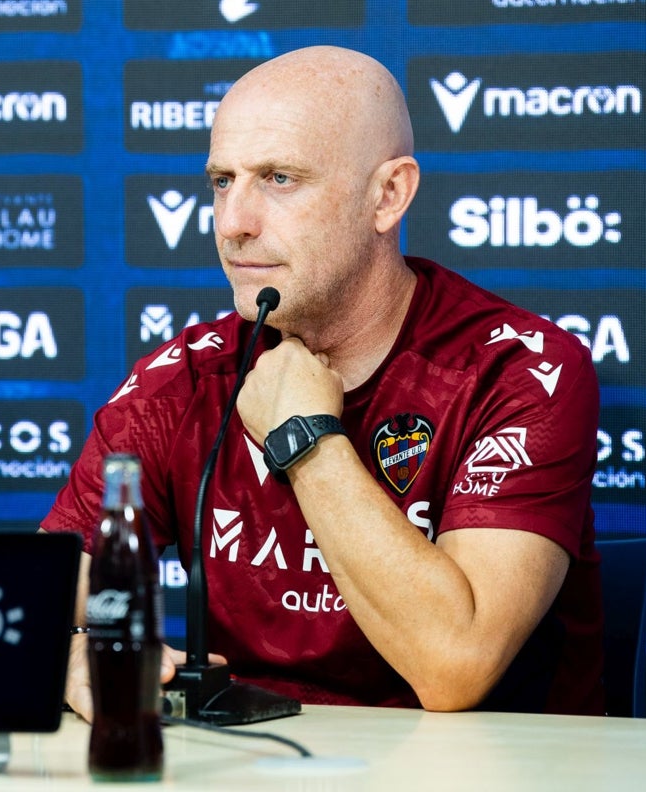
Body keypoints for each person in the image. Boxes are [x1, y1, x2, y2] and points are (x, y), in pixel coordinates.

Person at [42, 45, 604, 718]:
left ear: (388, 195)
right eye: (222, 181)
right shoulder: (190, 379)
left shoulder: (516, 371)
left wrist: (305, 439)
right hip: (248, 765)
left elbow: (455, 668)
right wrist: (71, 645)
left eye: (279, 179)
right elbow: (39, 596)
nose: (234, 223)